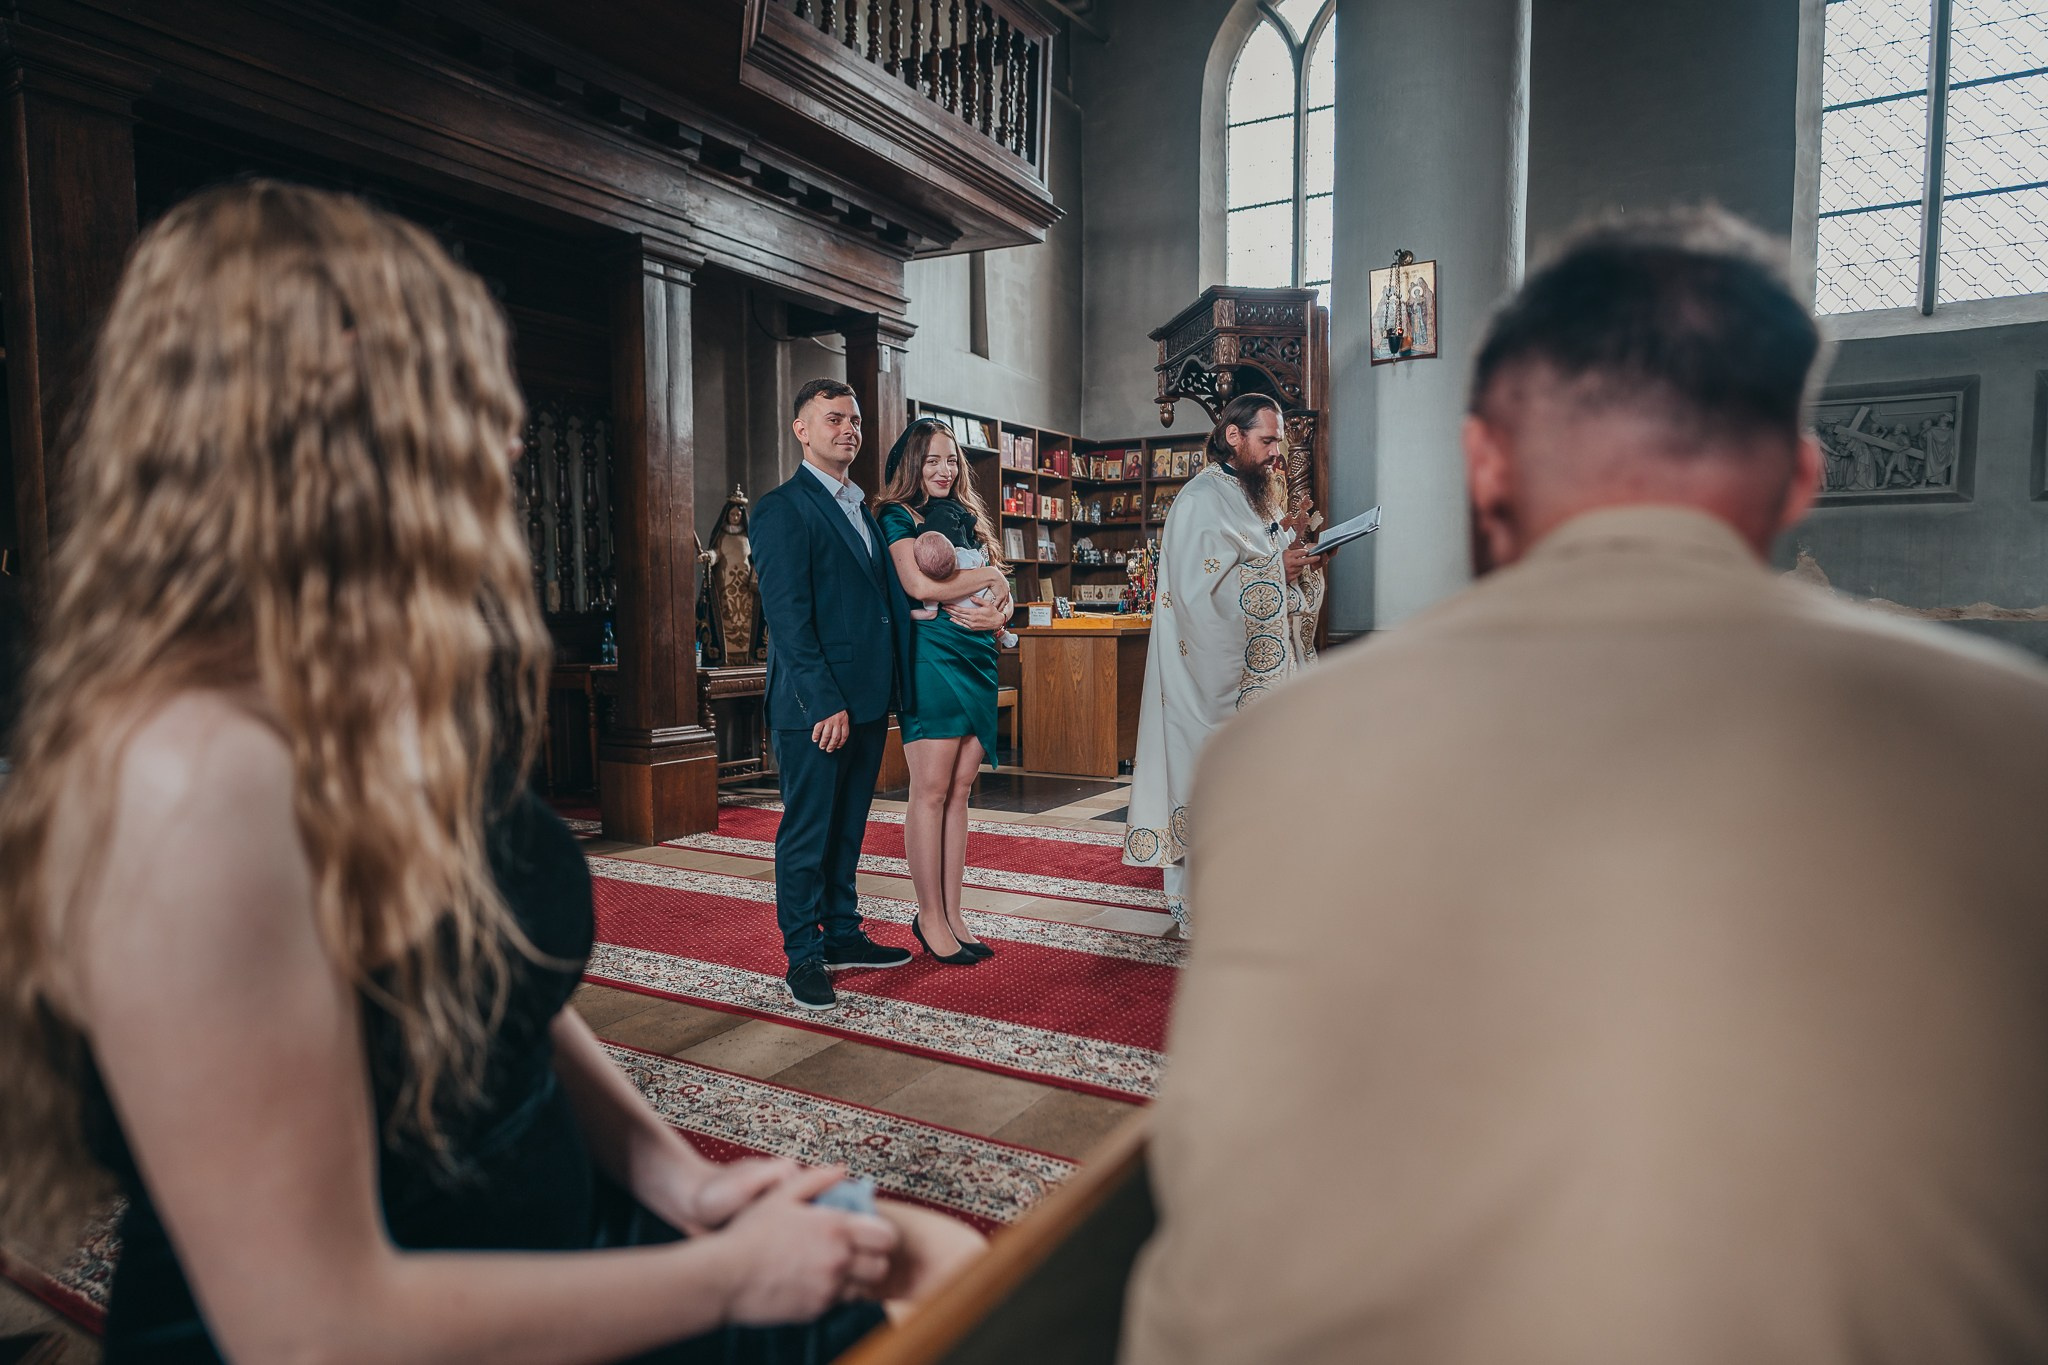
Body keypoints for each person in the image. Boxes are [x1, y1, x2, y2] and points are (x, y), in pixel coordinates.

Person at [0, 182, 980, 1365]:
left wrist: (683, 1184)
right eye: (462, 386)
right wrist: (725, 1281)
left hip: (543, 1229)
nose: (511, 431)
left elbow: (498, 996)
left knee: (941, 1269)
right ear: (311, 414)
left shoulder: (366, 674)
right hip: (397, 1321)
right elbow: (310, 1326)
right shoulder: (192, 777)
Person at [1121, 208, 2048, 1365]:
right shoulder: (2013, 740)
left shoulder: (1287, 748)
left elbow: (1213, 1248)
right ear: (1801, 477)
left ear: (1483, 465)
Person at [1121, 392, 1326, 932]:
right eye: (1267, 441)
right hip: (1207, 684)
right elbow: (1197, 595)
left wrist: (1298, 560)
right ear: (1233, 437)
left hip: (1253, 686)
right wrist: (1273, 571)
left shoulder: (1246, 498)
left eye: (1279, 442)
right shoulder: (1199, 501)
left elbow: (1260, 561)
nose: (1277, 454)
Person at [751, 379, 921, 1010]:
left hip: (870, 700)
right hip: (815, 707)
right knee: (808, 833)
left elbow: (880, 604)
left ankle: (844, 934)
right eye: (832, 420)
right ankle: (803, 954)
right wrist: (824, 701)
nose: (848, 429)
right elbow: (788, 619)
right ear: (801, 430)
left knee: (848, 829)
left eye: (853, 420)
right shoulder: (782, 508)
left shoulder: (865, 509)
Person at [874, 417, 1014, 963]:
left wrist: (1000, 607)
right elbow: (918, 585)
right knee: (929, 791)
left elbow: (1001, 592)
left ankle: (954, 912)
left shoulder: (967, 518)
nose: (944, 469)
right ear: (912, 463)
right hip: (930, 657)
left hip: (978, 656)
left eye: (951, 460)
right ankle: (928, 915)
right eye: (932, 459)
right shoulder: (895, 516)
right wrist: (990, 581)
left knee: (960, 792)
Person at [908, 531, 1018, 649]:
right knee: (994, 612)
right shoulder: (963, 557)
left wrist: (907, 614)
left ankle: (1001, 633)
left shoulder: (934, 593)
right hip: (985, 599)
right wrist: (986, 573)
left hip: (961, 624)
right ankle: (1003, 634)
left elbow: (929, 614)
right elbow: (981, 561)